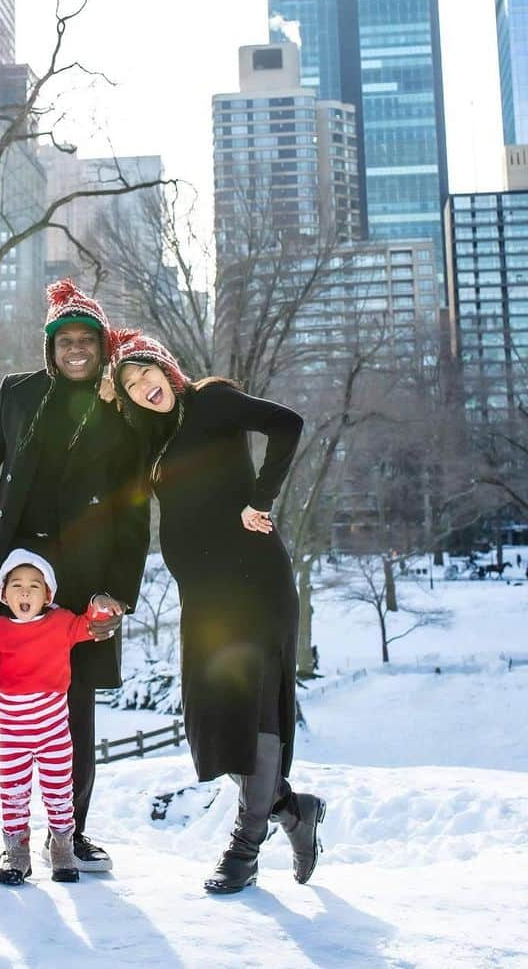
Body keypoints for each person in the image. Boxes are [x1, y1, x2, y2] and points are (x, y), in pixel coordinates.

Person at [0, 279, 151, 879]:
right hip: (8, 571)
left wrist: (120, 590)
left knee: (73, 707)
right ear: (50, 347)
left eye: (87, 339)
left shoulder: (121, 410)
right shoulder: (18, 394)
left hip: (83, 582)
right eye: (65, 341)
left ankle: (71, 834)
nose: (76, 349)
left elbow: (135, 507)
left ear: (102, 347)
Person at [109, 329, 325, 895]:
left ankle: (246, 844)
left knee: (254, 706)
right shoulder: (148, 442)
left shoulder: (213, 400)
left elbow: (288, 424)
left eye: (146, 374)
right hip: (202, 596)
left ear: (167, 370)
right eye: (129, 385)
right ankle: (290, 807)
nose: (141, 387)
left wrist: (261, 498)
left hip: (254, 580)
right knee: (212, 717)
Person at [0, 549, 116, 885]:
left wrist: (102, 603)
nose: (25, 592)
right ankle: (17, 855)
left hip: (53, 730)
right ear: (3, 594)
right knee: (14, 794)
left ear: (48, 594)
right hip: (14, 733)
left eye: (35, 586)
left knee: (58, 792)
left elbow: (89, 625)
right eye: (17, 585)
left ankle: (62, 851)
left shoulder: (60, 622)